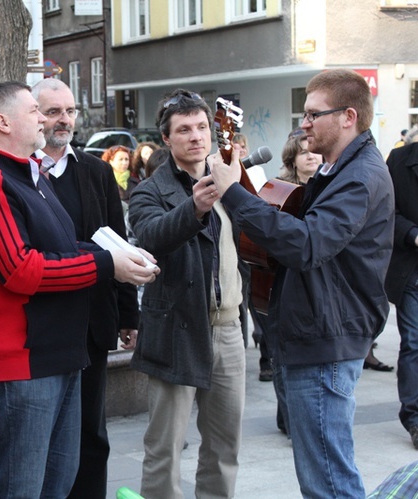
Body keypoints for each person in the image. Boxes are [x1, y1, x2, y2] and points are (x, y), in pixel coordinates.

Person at [0, 81, 158, 498]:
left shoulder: (30, 175)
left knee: (58, 484)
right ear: (3, 122)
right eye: (35, 111)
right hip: (21, 360)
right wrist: (106, 264)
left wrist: (121, 258)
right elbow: (20, 270)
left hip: (60, 353)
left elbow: (63, 249)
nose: (45, 119)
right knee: (22, 489)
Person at [210, 68, 395, 497]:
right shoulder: (339, 169)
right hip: (317, 331)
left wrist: (233, 194)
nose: (304, 123)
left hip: (326, 338)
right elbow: (290, 232)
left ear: (348, 116)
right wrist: (239, 181)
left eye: (313, 114)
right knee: (322, 474)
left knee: (328, 480)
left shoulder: (359, 176)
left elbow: (307, 245)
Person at [128, 89, 249, 499]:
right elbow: (149, 237)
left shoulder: (232, 180)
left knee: (224, 445)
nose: (196, 136)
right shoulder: (149, 190)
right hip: (177, 330)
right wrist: (194, 208)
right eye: (184, 130)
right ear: (166, 138)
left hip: (228, 328)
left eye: (201, 127)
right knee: (165, 447)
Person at [31, 78, 141, 499]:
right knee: (42, 442)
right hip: (40, 327)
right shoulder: (20, 175)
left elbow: (119, 245)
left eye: (70, 111)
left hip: (92, 323)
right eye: (54, 111)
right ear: (34, 115)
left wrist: (129, 315)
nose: (65, 120)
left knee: (91, 435)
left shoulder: (95, 172)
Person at [385, 128, 418, 450]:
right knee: (415, 343)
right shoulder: (399, 160)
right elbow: (386, 213)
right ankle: (415, 418)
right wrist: (413, 235)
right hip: (413, 272)